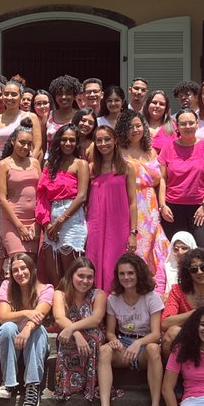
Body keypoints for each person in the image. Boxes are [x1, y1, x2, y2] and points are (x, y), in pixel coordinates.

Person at [91, 253, 165, 406]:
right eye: (122, 274)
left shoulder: (151, 297)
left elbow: (156, 334)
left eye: (130, 273)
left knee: (154, 349)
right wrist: (114, 340)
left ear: (138, 273)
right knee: (104, 351)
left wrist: (138, 343)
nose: (126, 277)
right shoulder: (113, 299)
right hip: (123, 341)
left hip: (145, 343)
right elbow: (109, 331)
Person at [0, 251, 53, 406]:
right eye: (15, 270)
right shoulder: (7, 287)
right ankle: (9, 382)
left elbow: (39, 316)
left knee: (37, 330)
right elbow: (4, 317)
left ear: (32, 269)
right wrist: (26, 313)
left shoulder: (46, 289)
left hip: (33, 345)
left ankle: (32, 386)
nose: (20, 273)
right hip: (7, 345)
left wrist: (27, 328)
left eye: (23, 268)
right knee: (7, 328)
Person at [116, 110, 170, 292]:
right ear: (123, 129)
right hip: (129, 203)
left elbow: (161, 179)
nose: (135, 130)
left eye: (138, 125)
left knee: (154, 245)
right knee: (135, 245)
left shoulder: (151, 151)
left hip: (151, 205)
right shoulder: (118, 152)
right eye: (130, 126)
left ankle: (154, 289)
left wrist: (162, 205)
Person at [86, 125, 138, 293]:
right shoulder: (92, 168)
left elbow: (133, 202)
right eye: (99, 140)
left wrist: (133, 233)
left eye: (107, 139)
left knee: (113, 268)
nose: (103, 144)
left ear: (115, 141)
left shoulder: (127, 167)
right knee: (93, 265)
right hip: (95, 226)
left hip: (118, 228)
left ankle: (115, 314)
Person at [36, 124, 90, 286]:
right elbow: (42, 196)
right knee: (53, 272)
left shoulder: (81, 164)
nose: (68, 143)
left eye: (72, 140)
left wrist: (60, 221)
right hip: (51, 219)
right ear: (58, 141)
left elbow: (81, 197)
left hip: (72, 218)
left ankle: (73, 309)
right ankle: (58, 306)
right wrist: (47, 224)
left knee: (71, 271)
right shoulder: (49, 165)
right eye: (64, 140)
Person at [159, 108, 204, 251]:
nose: (187, 127)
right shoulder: (168, 148)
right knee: (176, 251)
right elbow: (162, 178)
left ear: (197, 124)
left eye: (191, 123)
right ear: (177, 126)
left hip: (200, 207)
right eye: (183, 124)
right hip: (172, 209)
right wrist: (162, 206)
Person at [52, 257, 107, 402]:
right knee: (66, 337)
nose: (85, 281)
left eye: (89, 277)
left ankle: (91, 386)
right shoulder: (60, 294)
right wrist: (75, 333)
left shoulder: (99, 294)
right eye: (80, 276)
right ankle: (66, 385)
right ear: (71, 275)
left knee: (93, 337)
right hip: (69, 334)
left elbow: (96, 319)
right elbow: (59, 318)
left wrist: (72, 328)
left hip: (93, 333)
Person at [0, 121, 42, 258]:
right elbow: (2, 199)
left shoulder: (35, 163)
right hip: (13, 220)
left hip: (34, 220)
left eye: (29, 144)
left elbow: (41, 194)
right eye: (22, 142)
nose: (26, 147)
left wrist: (37, 223)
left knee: (32, 263)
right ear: (13, 141)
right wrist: (19, 226)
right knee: (19, 260)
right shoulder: (3, 164)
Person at [0, 81, 43, 171]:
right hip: (1, 165)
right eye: (6, 94)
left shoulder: (31, 117)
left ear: (21, 97)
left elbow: (37, 146)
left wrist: (28, 165)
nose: (9, 97)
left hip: (26, 167)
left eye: (13, 94)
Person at [46, 75, 82, 140]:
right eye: (59, 94)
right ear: (55, 97)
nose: (63, 97)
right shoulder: (47, 116)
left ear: (74, 96)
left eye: (68, 94)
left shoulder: (81, 116)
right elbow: (42, 144)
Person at [144, 89, 174, 156]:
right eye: (154, 102)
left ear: (166, 108)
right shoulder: (139, 125)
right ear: (147, 105)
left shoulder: (174, 127)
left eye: (162, 104)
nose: (157, 106)